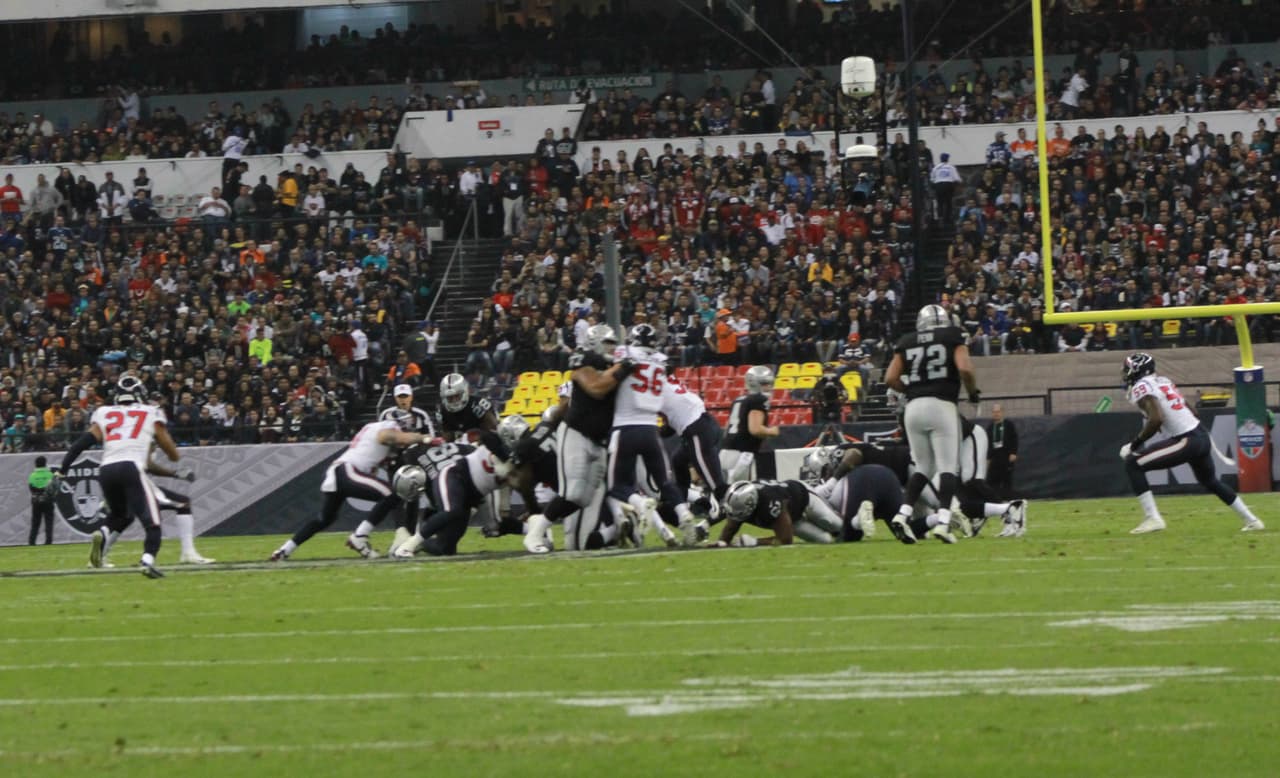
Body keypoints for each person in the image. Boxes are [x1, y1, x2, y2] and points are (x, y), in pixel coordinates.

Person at [1120, 353, 1265, 535]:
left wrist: (1134, 445)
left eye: (1127, 368)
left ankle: (1153, 518)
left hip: (1187, 439)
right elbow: (1192, 410)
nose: (1125, 372)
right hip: (1200, 435)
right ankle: (1252, 520)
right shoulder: (1162, 380)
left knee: (1133, 464)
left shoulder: (1142, 386)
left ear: (1137, 370)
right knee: (1209, 481)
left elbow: (1156, 419)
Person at [269, 410, 431, 561]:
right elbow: (390, 437)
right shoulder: (386, 427)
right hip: (347, 470)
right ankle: (360, 536)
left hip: (339, 472)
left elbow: (375, 454)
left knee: (324, 519)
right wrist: (424, 438)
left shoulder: (371, 430)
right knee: (392, 493)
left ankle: (284, 550)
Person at [61, 374, 180, 578]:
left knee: (121, 515)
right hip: (132, 467)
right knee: (153, 522)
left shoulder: (104, 412)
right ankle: (147, 561)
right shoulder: (151, 411)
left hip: (106, 469)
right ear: (140, 394)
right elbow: (169, 448)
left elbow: (82, 443)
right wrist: (173, 455)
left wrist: (63, 469)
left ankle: (104, 535)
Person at [884, 304, 980, 545]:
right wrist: (972, 393)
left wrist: (912, 390)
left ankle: (902, 515)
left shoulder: (907, 340)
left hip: (913, 409)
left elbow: (890, 378)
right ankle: (944, 523)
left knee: (923, 467)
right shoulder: (952, 336)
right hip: (941, 405)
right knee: (947, 467)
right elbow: (966, 369)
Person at [603, 324, 696, 548]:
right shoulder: (661, 360)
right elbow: (666, 368)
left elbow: (608, 363)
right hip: (651, 430)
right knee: (665, 481)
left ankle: (640, 502)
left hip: (625, 428)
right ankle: (683, 513)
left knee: (616, 486)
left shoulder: (625, 353)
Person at [716, 479, 844, 546]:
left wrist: (756, 542)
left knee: (837, 525)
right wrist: (721, 543)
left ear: (752, 504)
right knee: (825, 540)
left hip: (804, 498)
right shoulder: (740, 504)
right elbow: (729, 529)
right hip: (793, 519)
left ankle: (855, 519)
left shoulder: (771, 503)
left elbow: (785, 540)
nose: (735, 518)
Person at [720, 366, 779, 483]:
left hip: (725, 451)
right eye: (765, 383)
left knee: (725, 489)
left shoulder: (739, 399)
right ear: (756, 384)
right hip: (743, 454)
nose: (769, 387)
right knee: (742, 493)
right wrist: (773, 431)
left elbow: (727, 428)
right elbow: (755, 429)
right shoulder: (758, 399)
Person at [436, 373, 497, 441]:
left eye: (457, 396)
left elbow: (494, 432)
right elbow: (446, 438)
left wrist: (479, 437)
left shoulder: (478, 405)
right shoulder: (443, 411)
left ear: (466, 392)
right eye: (450, 398)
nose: (454, 401)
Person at [986, 403, 1019, 496]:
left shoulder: (1009, 425)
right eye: (994, 412)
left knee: (1007, 480)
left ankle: (1008, 500)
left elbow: (1014, 439)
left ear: (1002, 412)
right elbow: (988, 444)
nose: (996, 414)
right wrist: (988, 459)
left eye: (998, 412)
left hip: (1006, 456)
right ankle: (994, 500)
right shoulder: (990, 428)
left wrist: (1013, 453)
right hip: (995, 458)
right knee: (991, 481)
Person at [28, 456, 56, 545]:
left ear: (36, 464)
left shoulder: (32, 475)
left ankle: (32, 541)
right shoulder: (50, 474)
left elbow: (31, 488)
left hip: (36, 501)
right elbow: (54, 487)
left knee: (35, 522)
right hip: (48, 500)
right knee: (49, 521)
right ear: (45, 464)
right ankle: (48, 541)